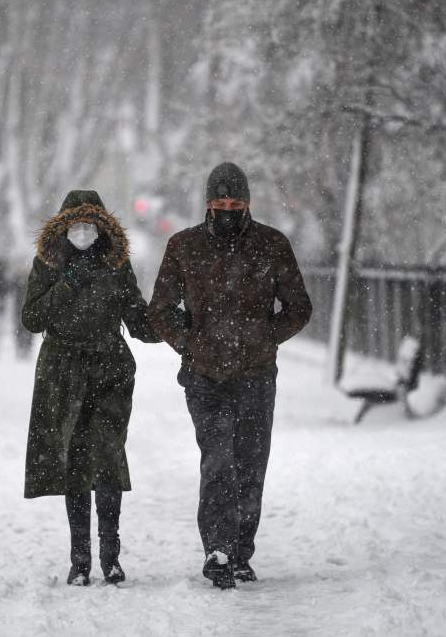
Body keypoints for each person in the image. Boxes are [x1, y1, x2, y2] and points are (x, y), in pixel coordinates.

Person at [148, 162, 312, 589]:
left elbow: (299, 307)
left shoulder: (271, 245)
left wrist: (264, 337)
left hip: (256, 375)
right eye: (220, 203)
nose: (226, 209)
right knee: (218, 459)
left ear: (247, 204)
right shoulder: (184, 247)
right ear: (207, 204)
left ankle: (241, 551)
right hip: (205, 378)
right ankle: (218, 549)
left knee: (251, 465)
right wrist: (191, 342)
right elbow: (160, 309)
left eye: (234, 203)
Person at [21, 190, 159, 586]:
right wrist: (68, 282)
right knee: (75, 464)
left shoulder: (116, 266)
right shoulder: (47, 263)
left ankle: (111, 556)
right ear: (63, 227)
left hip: (109, 369)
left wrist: (172, 321)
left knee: (108, 458)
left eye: (90, 225)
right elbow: (32, 317)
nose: (82, 232)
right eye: (75, 225)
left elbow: (137, 319)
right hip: (62, 372)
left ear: (102, 227)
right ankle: (80, 559)